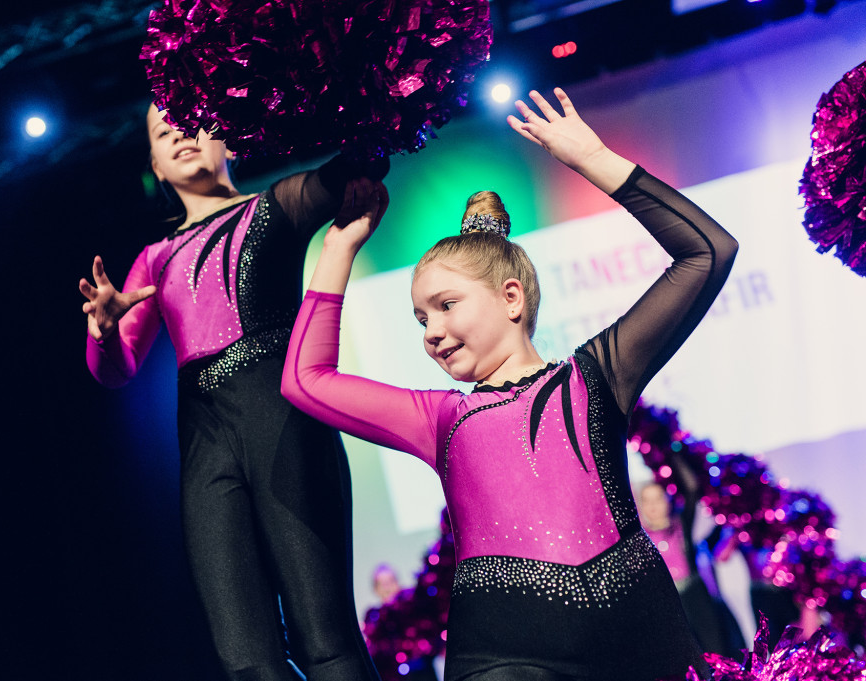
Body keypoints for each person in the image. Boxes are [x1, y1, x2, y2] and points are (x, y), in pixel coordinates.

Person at [282, 87, 739, 680]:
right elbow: (305, 380)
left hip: (640, 628)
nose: (433, 332)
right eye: (421, 319)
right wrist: (339, 246)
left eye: (445, 305)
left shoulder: (595, 378)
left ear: (512, 297)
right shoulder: (440, 418)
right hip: (505, 647)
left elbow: (708, 252)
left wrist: (593, 159)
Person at [78, 103, 386, 681]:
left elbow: (363, 164)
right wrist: (103, 331)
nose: (178, 137)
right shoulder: (154, 259)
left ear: (228, 137)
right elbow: (116, 370)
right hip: (204, 443)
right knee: (245, 660)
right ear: (154, 166)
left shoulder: (276, 207)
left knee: (324, 639)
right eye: (162, 134)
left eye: (189, 122)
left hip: (284, 422)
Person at [637, 479, 746, 660]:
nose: (652, 506)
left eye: (657, 499)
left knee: (716, 650)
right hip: (670, 602)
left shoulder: (681, 525)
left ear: (668, 499)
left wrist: (666, 454)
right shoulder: (641, 537)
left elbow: (691, 488)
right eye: (646, 500)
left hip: (695, 596)